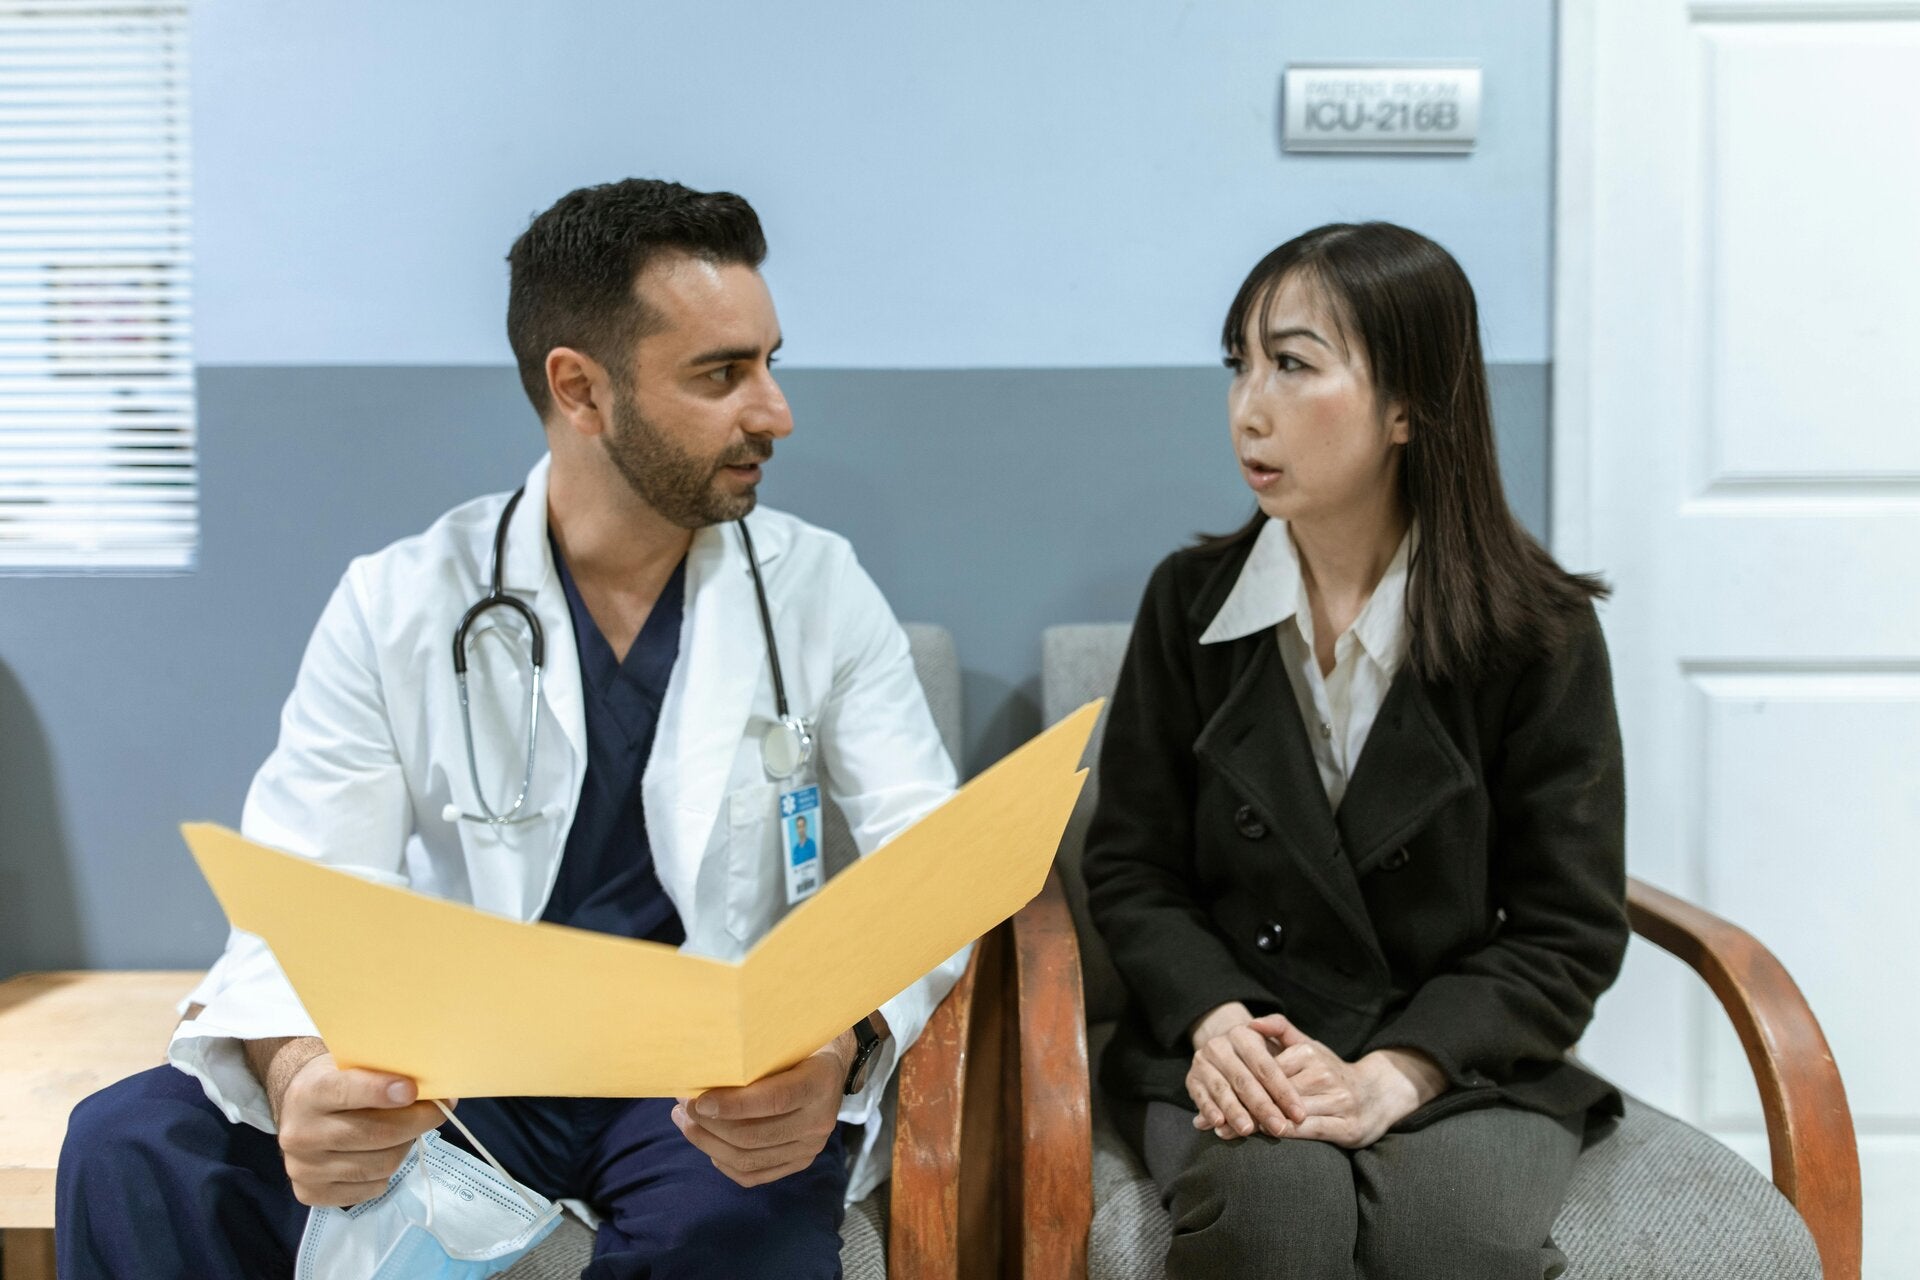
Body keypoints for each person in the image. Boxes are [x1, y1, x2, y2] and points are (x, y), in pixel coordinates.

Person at [55, 179, 964, 1280]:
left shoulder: (818, 587)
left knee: (724, 1229)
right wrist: (296, 1070)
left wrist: (841, 1036)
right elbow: (298, 885)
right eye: (723, 373)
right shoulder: (398, 602)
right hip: (458, 1062)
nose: (774, 411)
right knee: (130, 1143)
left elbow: (930, 855)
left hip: (691, 1083)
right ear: (580, 388)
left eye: (770, 361)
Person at [1082, 222, 1628, 1280]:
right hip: (1242, 1039)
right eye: (1239, 361)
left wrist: (1402, 1068)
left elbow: (1567, 926)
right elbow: (1132, 866)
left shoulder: (1540, 634)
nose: (1249, 404)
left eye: (1291, 362)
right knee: (1273, 1217)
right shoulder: (1188, 605)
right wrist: (1216, 1016)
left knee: (1453, 1241)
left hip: (1460, 1054)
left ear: (1408, 405)